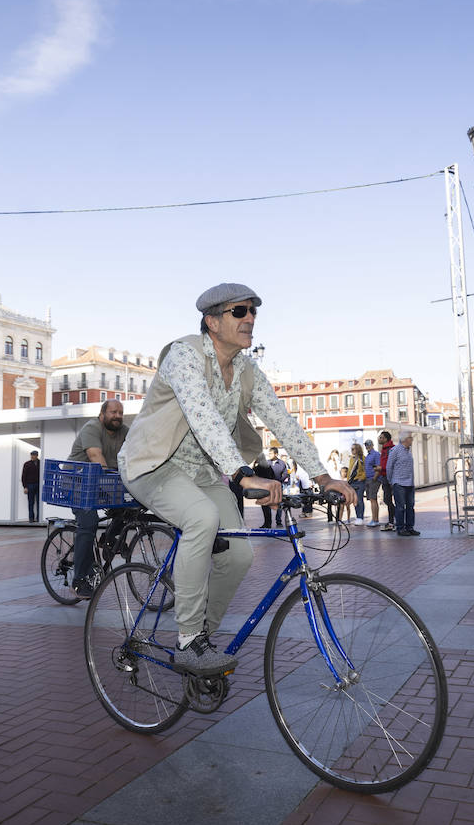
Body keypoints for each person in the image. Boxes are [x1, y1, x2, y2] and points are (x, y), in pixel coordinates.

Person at [117, 283, 355, 676]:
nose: (250, 319)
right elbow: (203, 417)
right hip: (154, 465)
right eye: (240, 311)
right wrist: (242, 474)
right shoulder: (184, 355)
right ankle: (189, 641)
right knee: (201, 520)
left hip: (204, 472)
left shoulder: (246, 370)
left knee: (240, 553)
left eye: (253, 312)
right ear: (212, 321)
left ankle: (203, 641)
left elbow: (281, 420)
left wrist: (322, 475)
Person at [68, 399, 128, 598]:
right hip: (77, 483)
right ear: (102, 414)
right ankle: (78, 580)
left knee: (130, 507)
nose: (117, 416)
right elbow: (96, 457)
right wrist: (114, 491)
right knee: (89, 523)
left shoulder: (124, 432)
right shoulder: (92, 428)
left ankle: (108, 540)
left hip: (100, 483)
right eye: (113, 412)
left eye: (120, 412)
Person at [386, 433, 419, 536]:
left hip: (409, 483)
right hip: (399, 483)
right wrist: (391, 481)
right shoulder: (395, 450)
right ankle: (400, 528)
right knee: (400, 507)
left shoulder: (408, 451)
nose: (412, 439)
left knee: (410, 506)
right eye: (410, 438)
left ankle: (410, 527)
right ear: (404, 439)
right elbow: (389, 467)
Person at [376, 431, 396, 531]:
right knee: (387, 500)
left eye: (381, 437)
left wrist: (381, 468)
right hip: (385, 476)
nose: (379, 439)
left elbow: (390, 463)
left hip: (390, 477)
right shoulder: (384, 449)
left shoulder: (390, 449)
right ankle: (392, 521)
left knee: (390, 499)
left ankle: (396, 520)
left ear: (386, 439)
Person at [346, 443, 368, 525]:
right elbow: (350, 470)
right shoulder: (352, 459)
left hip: (360, 482)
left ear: (357, 449)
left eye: (353, 449)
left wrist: (362, 478)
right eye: (351, 449)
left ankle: (360, 517)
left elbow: (366, 470)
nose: (352, 451)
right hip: (352, 482)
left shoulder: (362, 458)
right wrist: (348, 480)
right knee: (354, 500)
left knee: (359, 499)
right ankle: (357, 516)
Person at [363, 438, 382, 526]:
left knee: (373, 499)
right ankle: (374, 519)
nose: (367, 446)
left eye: (369, 444)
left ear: (372, 445)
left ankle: (375, 520)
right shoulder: (367, 456)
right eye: (366, 445)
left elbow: (379, 466)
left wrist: (375, 477)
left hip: (373, 479)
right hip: (368, 479)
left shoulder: (376, 454)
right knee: (371, 499)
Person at [21, 450, 42, 522]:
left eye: (34, 455)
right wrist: (25, 487)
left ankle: (39, 518)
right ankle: (31, 518)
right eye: (31, 455)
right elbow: (23, 476)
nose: (32, 456)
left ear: (37, 456)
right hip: (30, 485)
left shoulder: (41, 463)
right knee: (31, 502)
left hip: (38, 485)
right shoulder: (27, 464)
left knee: (39, 502)